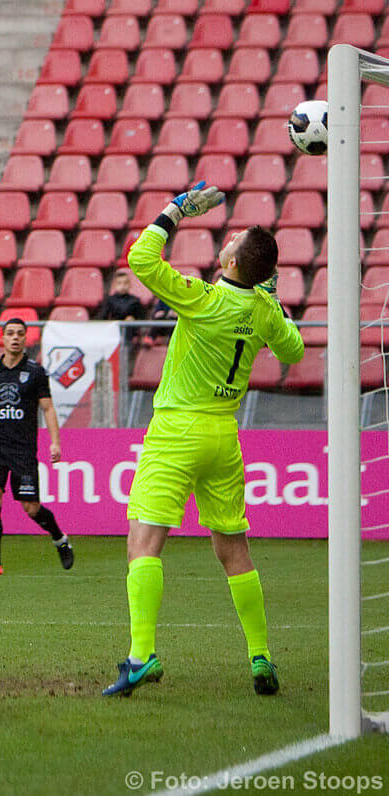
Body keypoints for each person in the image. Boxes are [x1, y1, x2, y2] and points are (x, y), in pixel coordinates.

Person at [101, 183, 303, 698]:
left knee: (143, 542)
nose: (228, 237)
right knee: (233, 548)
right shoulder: (261, 309)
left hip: (177, 428)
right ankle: (260, 656)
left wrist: (177, 210)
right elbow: (294, 351)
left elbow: (141, 260)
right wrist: (272, 296)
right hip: (224, 434)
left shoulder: (203, 298)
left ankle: (141, 656)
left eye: (232, 238)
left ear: (233, 260)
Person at [0, 317, 73, 576]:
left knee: (31, 508)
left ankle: (59, 538)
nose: (15, 338)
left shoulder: (36, 372)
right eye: (10, 333)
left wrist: (55, 442)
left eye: (20, 334)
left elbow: (47, 408)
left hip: (23, 449)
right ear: (2, 338)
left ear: (26, 339)